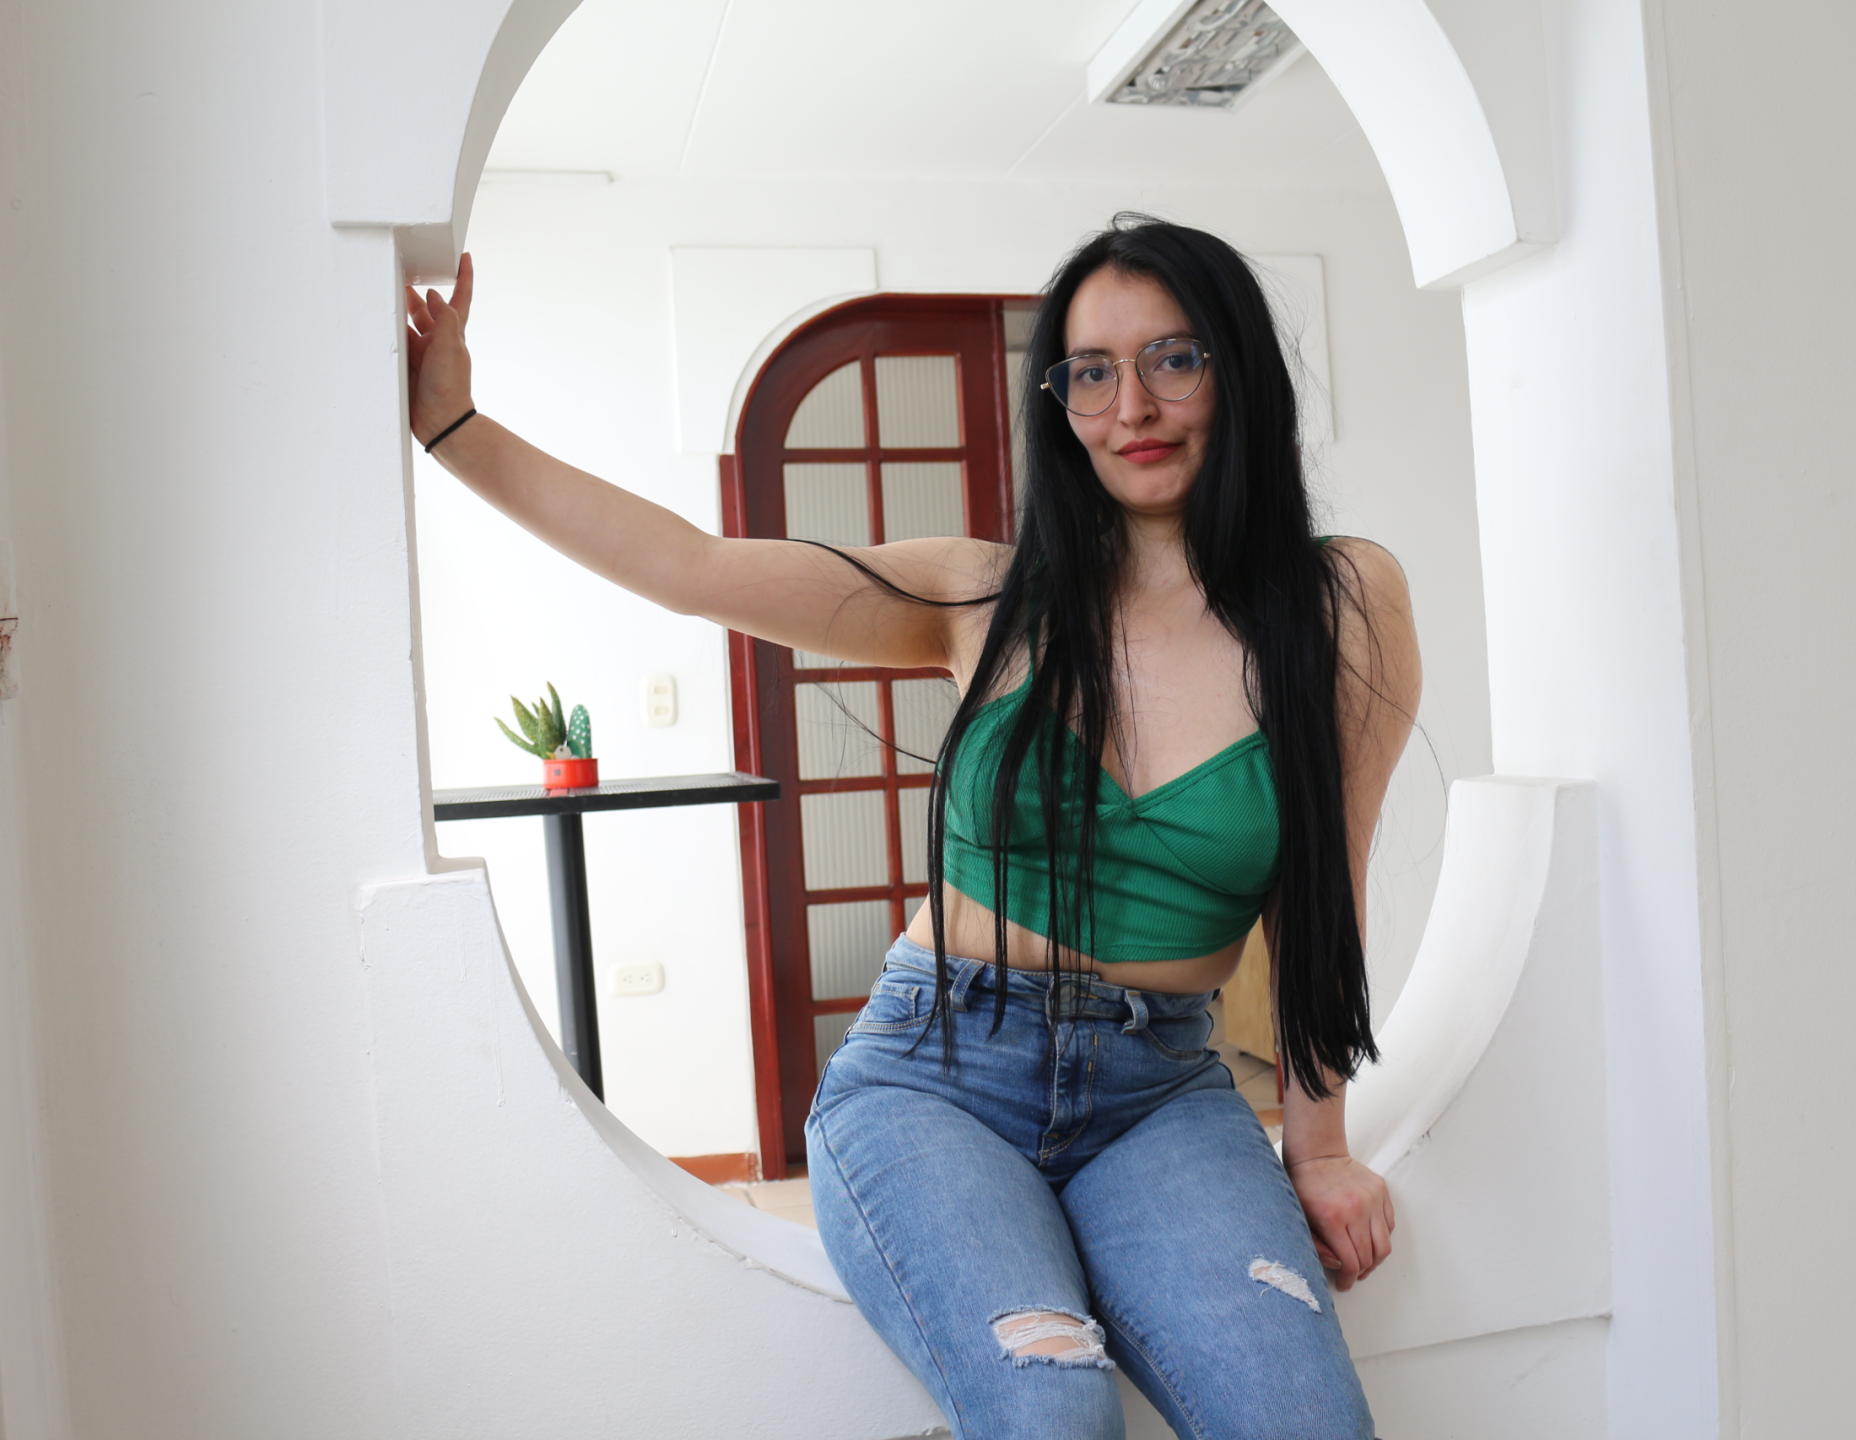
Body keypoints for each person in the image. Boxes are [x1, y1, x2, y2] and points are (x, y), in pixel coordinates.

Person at [405, 212, 1419, 1440]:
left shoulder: (1343, 603)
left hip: (1158, 1095)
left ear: (1238, 366)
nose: (1133, 408)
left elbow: (1324, 900)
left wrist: (1319, 1149)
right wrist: (455, 429)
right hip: (933, 1079)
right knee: (1053, 1414)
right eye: (1091, 372)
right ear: (1060, 404)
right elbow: (691, 566)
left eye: (1175, 357)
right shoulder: (982, 595)